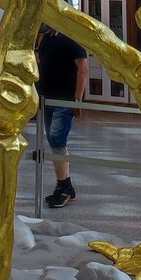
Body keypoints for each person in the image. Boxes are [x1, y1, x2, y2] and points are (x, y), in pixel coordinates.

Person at [36, 24, 88, 208]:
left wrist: (77, 99)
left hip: (65, 100)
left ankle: (64, 186)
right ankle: (65, 186)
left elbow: (83, 67)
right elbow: (41, 64)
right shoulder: (46, 39)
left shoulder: (71, 37)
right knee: (54, 141)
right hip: (47, 99)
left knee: (57, 139)